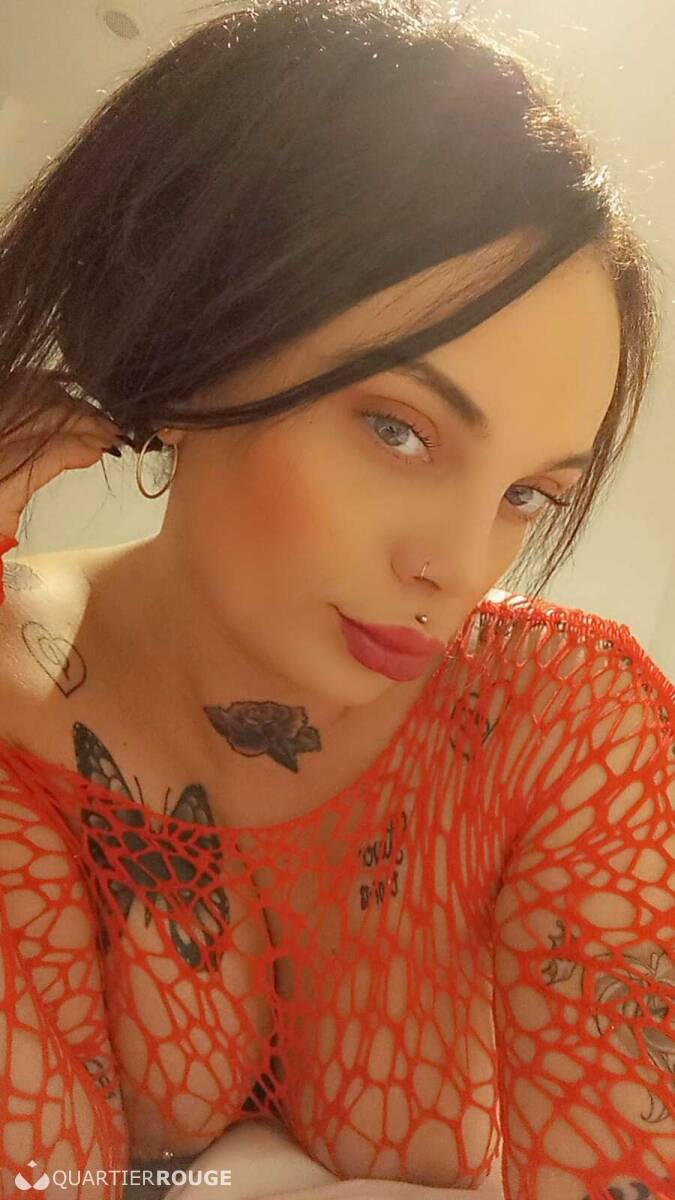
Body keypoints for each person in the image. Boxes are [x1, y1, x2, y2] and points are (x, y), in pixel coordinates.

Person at [0, 1, 672, 1198]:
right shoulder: (11, 704)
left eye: (528, 494)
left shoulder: (561, 722)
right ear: (192, 343)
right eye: (397, 430)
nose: (457, 566)